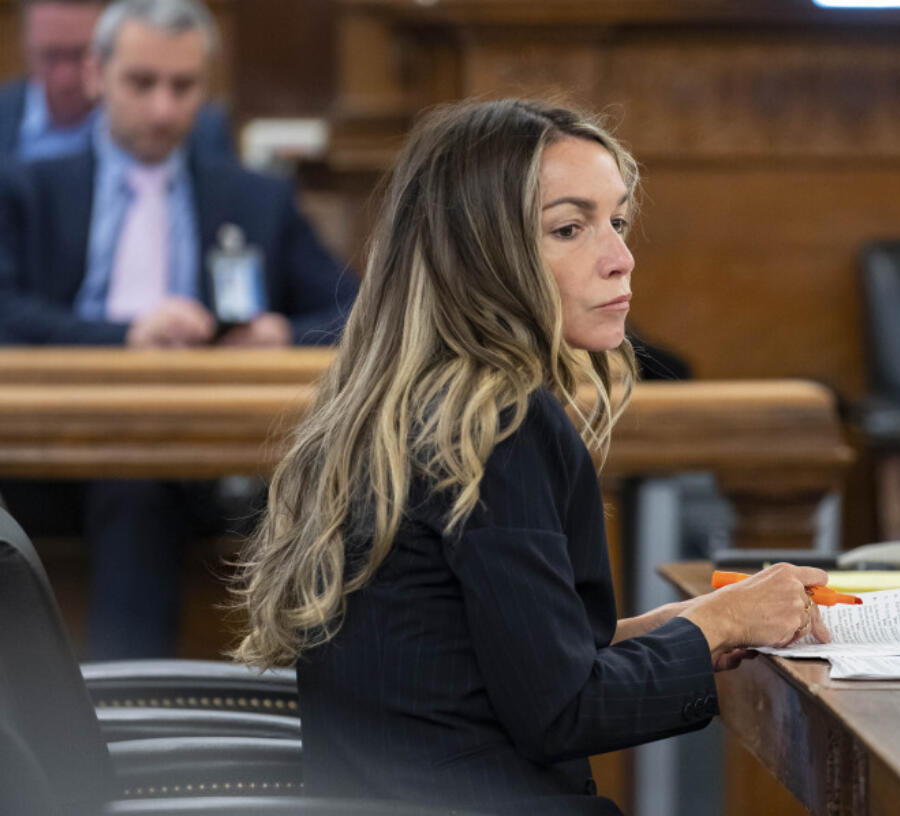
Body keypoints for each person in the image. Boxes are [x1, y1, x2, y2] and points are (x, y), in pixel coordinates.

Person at [232, 99, 830, 814]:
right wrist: (723, 626)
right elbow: (564, 711)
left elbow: (522, 659)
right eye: (570, 229)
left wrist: (706, 620)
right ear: (483, 251)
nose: (619, 257)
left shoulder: (414, 402)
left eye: (617, 221)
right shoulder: (497, 424)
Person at [0, 0, 357, 658]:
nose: (163, 108)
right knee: (134, 479)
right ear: (96, 74)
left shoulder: (256, 198)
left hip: (214, 453)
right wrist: (126, 337)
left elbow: (356, 312)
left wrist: (282, 334)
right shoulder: (27, 190)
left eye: (183, 86)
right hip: (55, 449)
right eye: (142, 83)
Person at [0, 0, 232, 164]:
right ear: (25, 47)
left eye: (80, 54)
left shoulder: (186, 129)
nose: (66, 77)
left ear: (102, 61)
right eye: (50, 56)